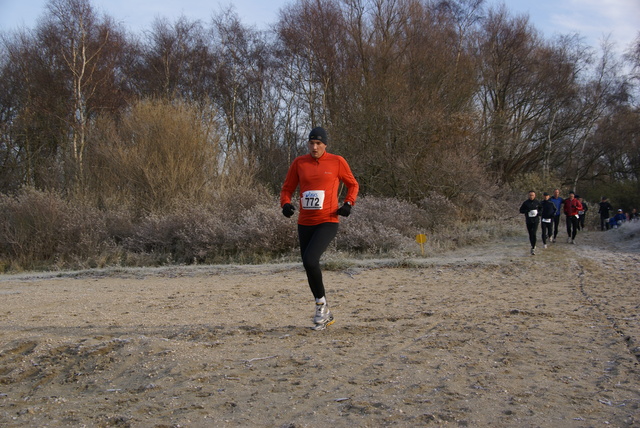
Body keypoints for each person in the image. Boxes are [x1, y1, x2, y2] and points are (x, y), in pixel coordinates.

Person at [280, 127, 359, 331]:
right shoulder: (299, 162)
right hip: (305, 221)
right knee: (309, 265)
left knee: (310, 259)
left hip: (328, 220)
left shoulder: (337, 161)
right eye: (311, 143)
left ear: (325, 145)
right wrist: (285, 204)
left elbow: (353, 185)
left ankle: (321, 307)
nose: (314, 147)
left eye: (318, 144)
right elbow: (287, 188)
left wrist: (348, 204)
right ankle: (322, 307)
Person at [519, 190, 542, 255]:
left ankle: (533, 247)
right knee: (530, 233)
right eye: (530, 195)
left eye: (532, 195)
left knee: (534, 233)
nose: (531, 196)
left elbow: (541, 209)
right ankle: (532, 244)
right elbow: (521, 210)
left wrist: (539, 213)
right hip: (528, 220)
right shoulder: (526, 203)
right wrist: (527, 211)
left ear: (535, 196)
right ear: (528, 196)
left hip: (536, 220)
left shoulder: (537, 202)